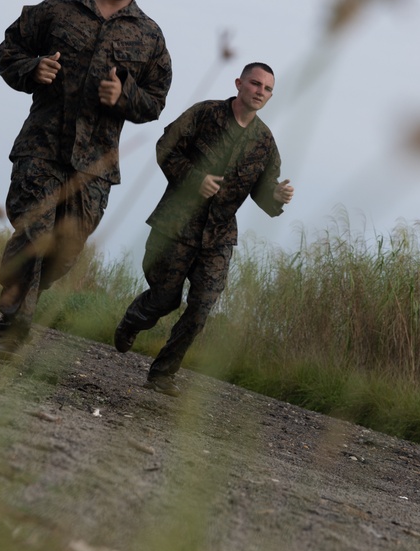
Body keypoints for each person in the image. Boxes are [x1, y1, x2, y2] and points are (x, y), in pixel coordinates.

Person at [0, 0, 173, 356]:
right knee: (34, 233)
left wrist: (123, 97)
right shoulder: (57, 9)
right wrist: (33, 68)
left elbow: (156, 100)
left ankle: (23, 291)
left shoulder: (149, 37)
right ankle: (13, 322)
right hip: (43, 148)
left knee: (66, 250)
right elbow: (9, 49)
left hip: (94, 165)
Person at [114, 63, 294, 396]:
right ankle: (134, 319)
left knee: (201, 307)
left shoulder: (265, 142)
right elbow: (165, 146)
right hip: (176, 225)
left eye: (267, 89)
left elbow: (264, 191)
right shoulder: (205, 114)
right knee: (164, 300)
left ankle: (163, 374)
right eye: (255, 84)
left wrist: (277, 195)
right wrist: (195, 179)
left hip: (219, 237)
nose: (260, 92)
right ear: (239, 83)